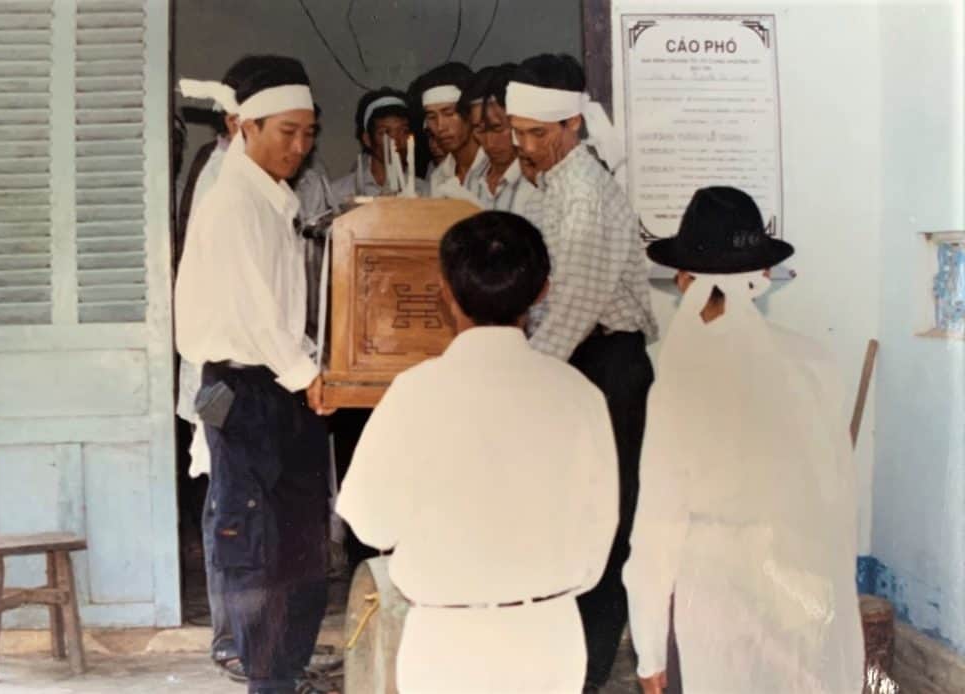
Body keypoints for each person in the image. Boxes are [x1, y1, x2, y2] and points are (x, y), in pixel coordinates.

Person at [337, 211, 618, 693]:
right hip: (549, 635)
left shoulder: (414, 392)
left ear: (445, 291)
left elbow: (368, 520)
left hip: (445, 640)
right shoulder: (579, 395)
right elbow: (602, 525)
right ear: (543, 291)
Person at [623, 186, 865, 694]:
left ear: (684, 279)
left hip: (715, 599)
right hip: (801, 593)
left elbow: (657, 527)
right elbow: (838, 498)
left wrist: (648, 648)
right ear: (761, 279)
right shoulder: (814, 362)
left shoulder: (672, 371)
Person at [175, 55, 336, 694]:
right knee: (255, 541)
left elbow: (284, 311)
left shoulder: (274, 197)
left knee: (299, 538)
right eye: (285, 133)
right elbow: (257, 310)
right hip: (240, 388)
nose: (299, 147)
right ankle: (268, 676)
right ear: (246, 127)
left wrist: (310, 368)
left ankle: (288, 669)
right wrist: (308, 374)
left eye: (308, 133)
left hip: (279, 382)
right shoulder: (232, 199)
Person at [505, 52, 658, 690]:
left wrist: (512, 380)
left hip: (605, 366)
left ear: (572, 126)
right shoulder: (544, 185)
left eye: (538, 134)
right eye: (517, 133)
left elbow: (570, 308)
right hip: (568, 364)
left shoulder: (587, 195)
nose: (525, 146)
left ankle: (589, 670)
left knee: (605, 522)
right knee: (567, 515)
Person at [457, 64, 538, 215]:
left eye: (497, 128)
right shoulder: (475, 176)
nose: (489, 142)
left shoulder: (536, 179)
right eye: (479, 130)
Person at [331, 87, 426, 201]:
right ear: (367, 140)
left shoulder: (424, 191)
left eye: (403, 131)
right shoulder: (340, 192)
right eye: (385, 132)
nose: (396, 140)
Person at [409, 62, 488, 198]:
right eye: (432, 116)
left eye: (449, 113)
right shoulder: (439, 177)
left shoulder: (495, 167)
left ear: (470, 113)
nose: (440, 127)